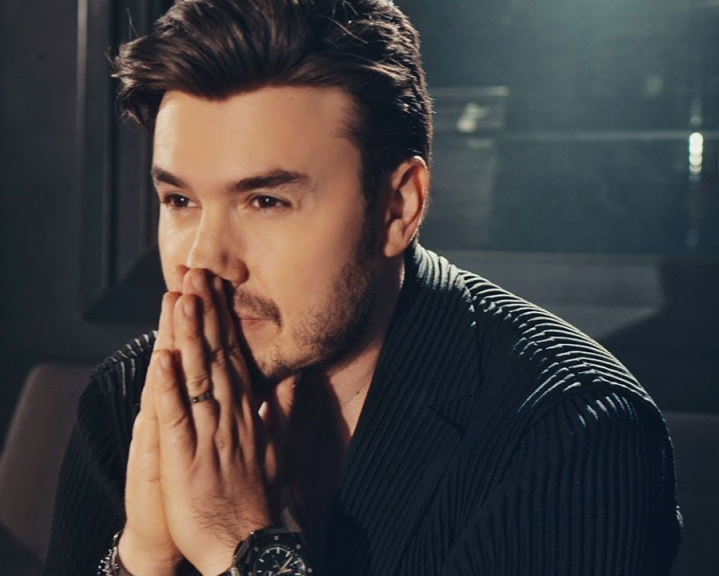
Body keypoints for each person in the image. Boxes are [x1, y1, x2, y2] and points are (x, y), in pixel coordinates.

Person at [45, 0, 683, 574]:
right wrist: (140, 562)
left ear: (398, 207)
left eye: (266, 201)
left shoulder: (573, 430)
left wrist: (243, 548)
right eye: (180, 200)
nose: (205, 262)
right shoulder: (128, 397)